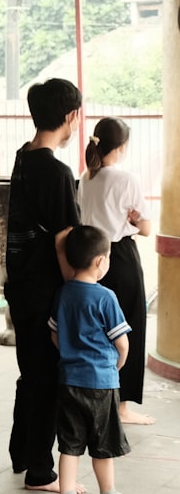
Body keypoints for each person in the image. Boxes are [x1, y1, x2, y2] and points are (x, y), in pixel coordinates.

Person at [4, 77, 83, 492]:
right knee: (47, 378)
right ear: (71, 116)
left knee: (29, 372)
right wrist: (78, 289)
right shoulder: (55, 170)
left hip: (19, 283)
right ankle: (39, 471)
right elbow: (64, 240)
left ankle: (22, 453)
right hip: (45, 289)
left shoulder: (23, 157)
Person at [77, 116, 155, 426]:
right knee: (128, 327)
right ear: (121, 148)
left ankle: (94, 398)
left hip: (90, 258)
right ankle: (122, 408)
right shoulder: (125, 180)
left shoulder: (86, 177)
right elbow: (147, 229)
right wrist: (135, 219)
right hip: (120, 258)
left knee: (96, 331)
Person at [49, 225, 131, 494]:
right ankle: (108, 491)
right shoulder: (106, 297)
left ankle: (67, 490)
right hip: (101, 383)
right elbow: (122, 343)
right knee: (103, 445)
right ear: (101, 261)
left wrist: (70, 353)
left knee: (70, 445)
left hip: (70, 380)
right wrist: (116, 366)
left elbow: (55, 335)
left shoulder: (64, 294)